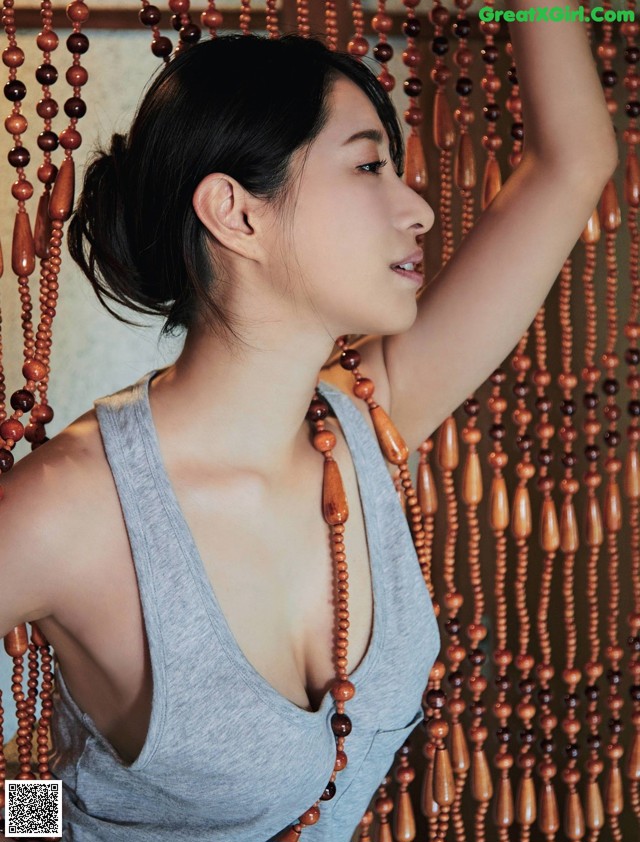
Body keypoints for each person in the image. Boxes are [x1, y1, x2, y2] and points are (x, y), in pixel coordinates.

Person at [0, 33, 442, 840]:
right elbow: (26, 782)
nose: (419, 208)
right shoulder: (69, 508)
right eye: (370, 165)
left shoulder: (369, 420)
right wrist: (34, 827)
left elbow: (573, 167)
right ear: (237, 213)